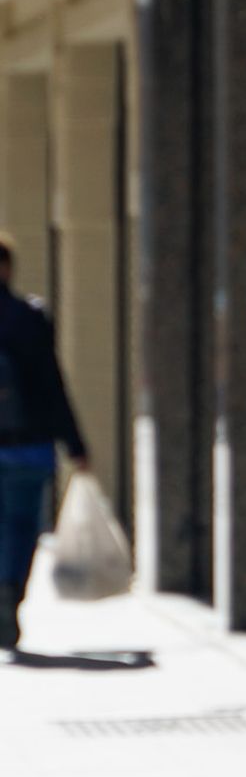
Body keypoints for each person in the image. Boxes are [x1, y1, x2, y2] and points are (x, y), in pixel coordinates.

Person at [0, 231, 90, 650]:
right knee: (22, 528)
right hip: (28, 445)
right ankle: (10, 591)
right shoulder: (29, 317)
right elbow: (52, 384)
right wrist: (76, 444)